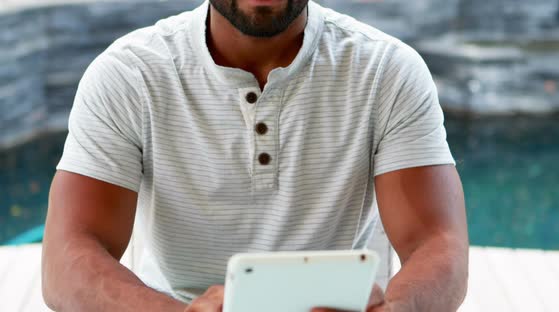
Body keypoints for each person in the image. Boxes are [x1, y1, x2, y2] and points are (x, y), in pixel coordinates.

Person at [41, 0, 469, 311]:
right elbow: (69, 256)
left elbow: (436, 242)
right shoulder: (128, 75)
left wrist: (398, 309)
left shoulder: (386, 71)